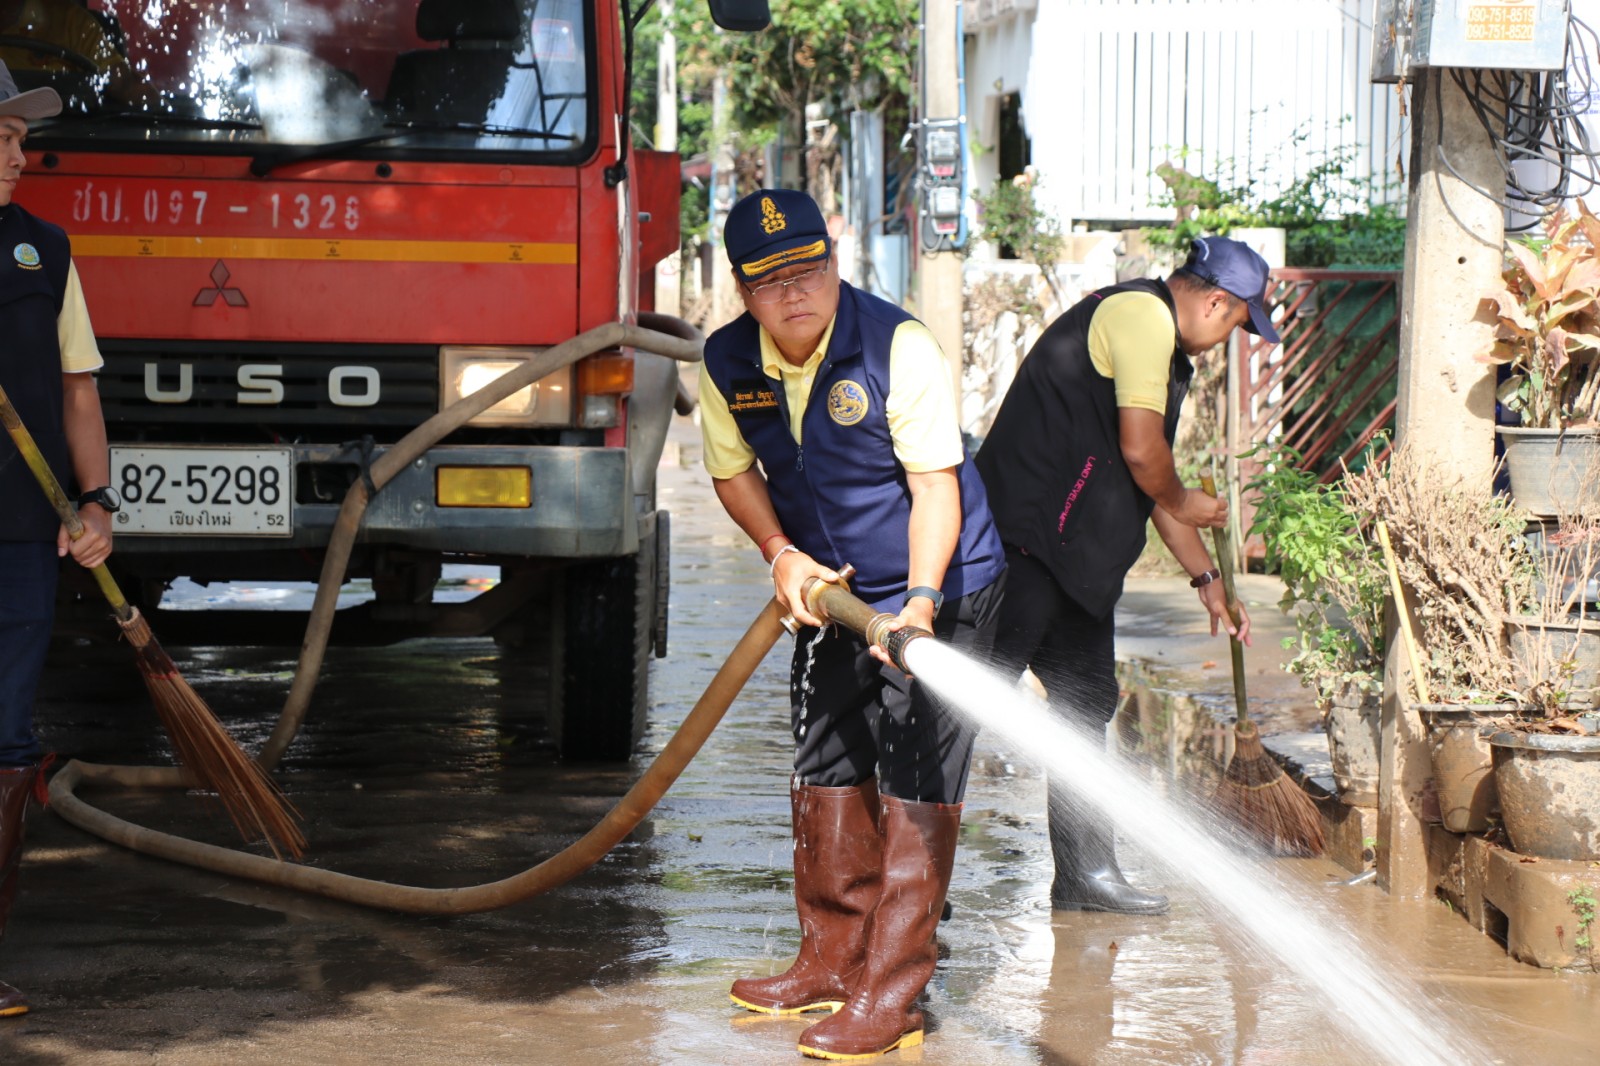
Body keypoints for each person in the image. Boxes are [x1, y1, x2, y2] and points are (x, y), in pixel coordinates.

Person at [698, 188, 1006, 1060]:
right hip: (830, 591)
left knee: (917, 779)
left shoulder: (893, 346)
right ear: (742, 290)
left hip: (938, 587)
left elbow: (935, 488)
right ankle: (832, 961)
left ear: (836, 262)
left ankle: (893, 991)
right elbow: (732, 473)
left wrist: (917, 604)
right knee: (826, 755)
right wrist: (779, 553)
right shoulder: (726, 362)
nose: (796, 293)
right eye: (771, 281)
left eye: (811, 269)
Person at [976, 236, 1269, 917]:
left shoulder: (1164, 352)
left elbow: (1148, 483)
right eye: (1235, 324)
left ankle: (1085, 874)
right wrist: (1192, 502)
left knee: (1084, 709)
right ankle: (909, 887)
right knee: (959, 708)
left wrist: (1207, 580)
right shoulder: (1142, 317)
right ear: (1216, 301)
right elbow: (1146, 458)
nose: (1229, 338)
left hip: (1077, 566)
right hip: (1021, 550)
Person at [0, 59, 114, 1018]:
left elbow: (79, 390)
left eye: (17, 135)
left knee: (4, 746)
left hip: (19, 539)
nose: (17, 151)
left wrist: (96, 501)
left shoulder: (46, 249)